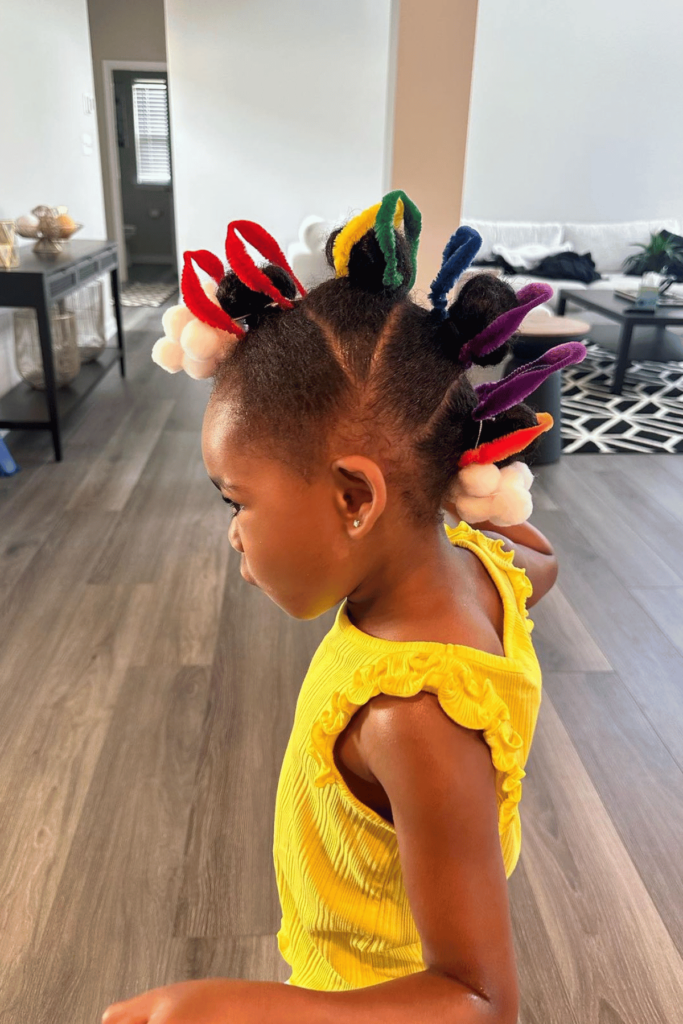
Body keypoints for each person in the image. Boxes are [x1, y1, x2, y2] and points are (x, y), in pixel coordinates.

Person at [102, 193, 585, 1024]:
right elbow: (539, 560)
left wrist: (221, 1008)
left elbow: (477, 999)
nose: (234, 538)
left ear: (355, 496)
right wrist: (471, 505)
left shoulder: (413, 718)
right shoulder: (479, 570)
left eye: (235, 503)